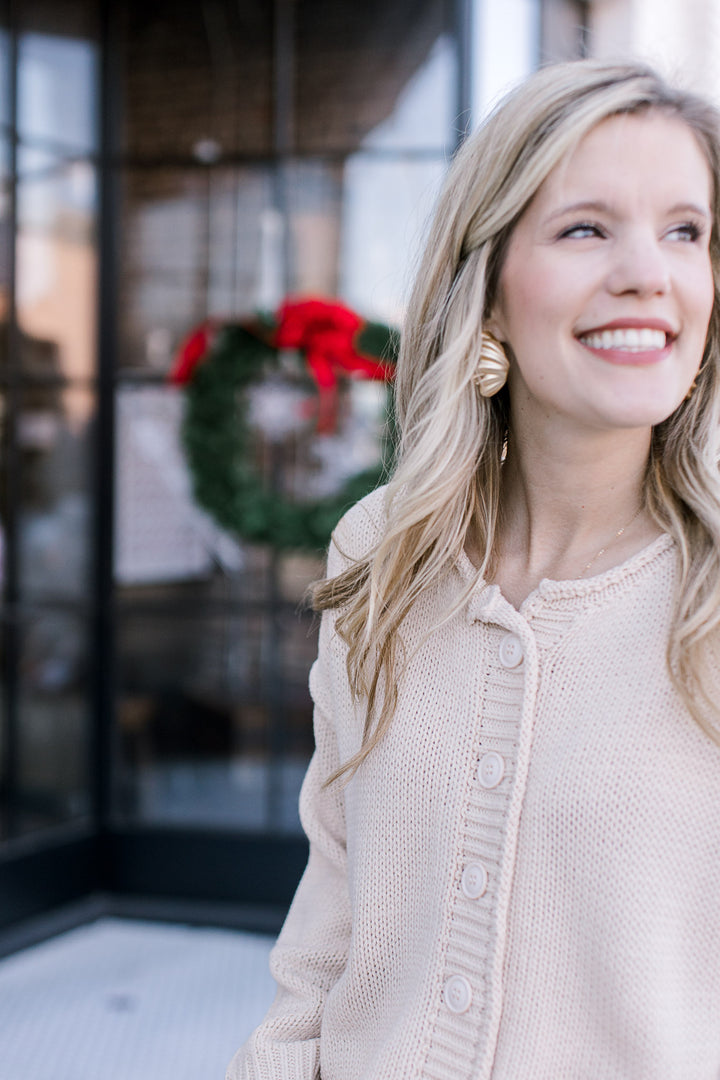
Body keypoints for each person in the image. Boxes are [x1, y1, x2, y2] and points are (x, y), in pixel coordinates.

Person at [227, 59, 720, 1080]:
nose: (650, 272)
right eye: (586, 227)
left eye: (687, 230)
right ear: (487, 287)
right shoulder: (384, 551)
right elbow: (334, 899)